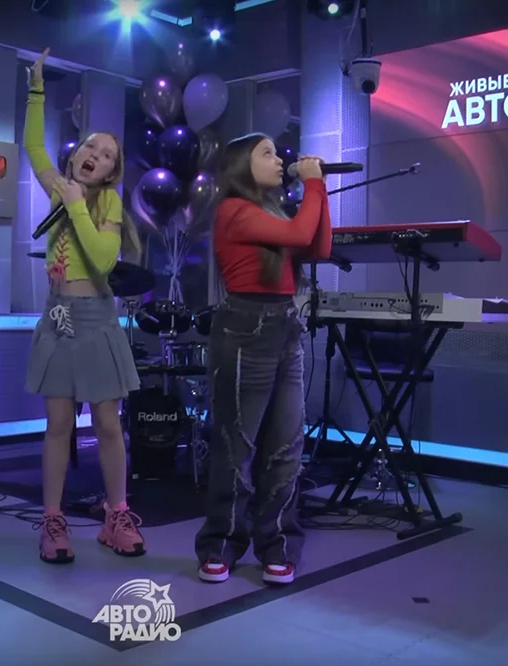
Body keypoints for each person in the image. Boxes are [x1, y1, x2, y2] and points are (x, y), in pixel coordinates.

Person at [23, 48, 146, 564]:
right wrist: (36, 89)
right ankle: (53, 521)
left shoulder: (107, 202)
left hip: (97, 320)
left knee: (108, 424)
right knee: (58, 425)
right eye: (90, 144)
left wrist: (76, 206)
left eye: (108, 153)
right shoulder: (57, 187)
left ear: (111, 171)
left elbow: (101, 259)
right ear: (76, 154)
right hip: (58, 318)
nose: (96, 152)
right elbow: (34, 146)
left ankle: (116, 515)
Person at [194, 134, 331, 586]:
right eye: (267, 153)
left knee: (287, 445)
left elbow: (317, 246)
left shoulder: (274, 212)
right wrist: (313, 185)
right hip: (244, 327)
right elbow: (300, 234)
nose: (279, 160)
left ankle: (278, 544)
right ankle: (220, 544)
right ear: (241, 166)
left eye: (277, 153)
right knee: (237, 445)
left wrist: (320, 189)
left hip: (285, 326)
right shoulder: (234, 210)